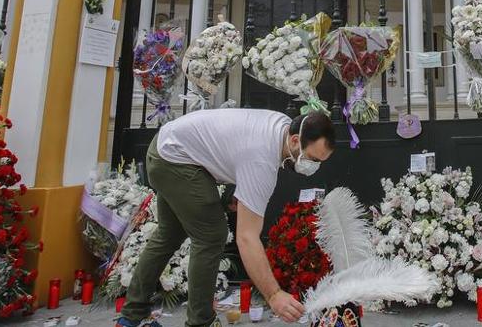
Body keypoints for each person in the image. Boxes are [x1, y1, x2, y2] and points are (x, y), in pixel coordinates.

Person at [116, 109, 336, 327]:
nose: (314, 167)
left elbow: (233, 145)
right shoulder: (262, 160)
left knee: (169, 234)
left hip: (167, 144)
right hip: (176, 159)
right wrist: (274, 294)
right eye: (312, 158)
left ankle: (132, 316)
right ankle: (200, 322)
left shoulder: (282, 127)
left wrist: (234, 189)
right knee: (212, 236)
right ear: (296, 140)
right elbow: (247, 237)